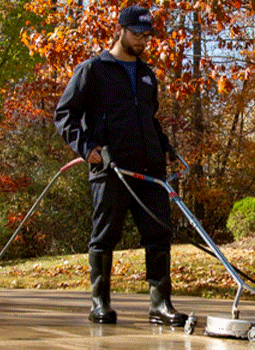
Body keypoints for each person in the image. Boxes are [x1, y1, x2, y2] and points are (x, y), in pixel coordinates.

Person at [53, 5, 188, 326]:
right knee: (105, 235)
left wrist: (165, 147)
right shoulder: (93, 70)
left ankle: (160, 305)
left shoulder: (146, 74)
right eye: (138, 35)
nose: (143, 41)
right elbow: (64, 114)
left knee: (159, 233)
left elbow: (149, 119)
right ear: (121, 30)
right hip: (110, 168)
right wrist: (87, 148)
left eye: (147, 36)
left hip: (150, 169)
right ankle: (99, 303)